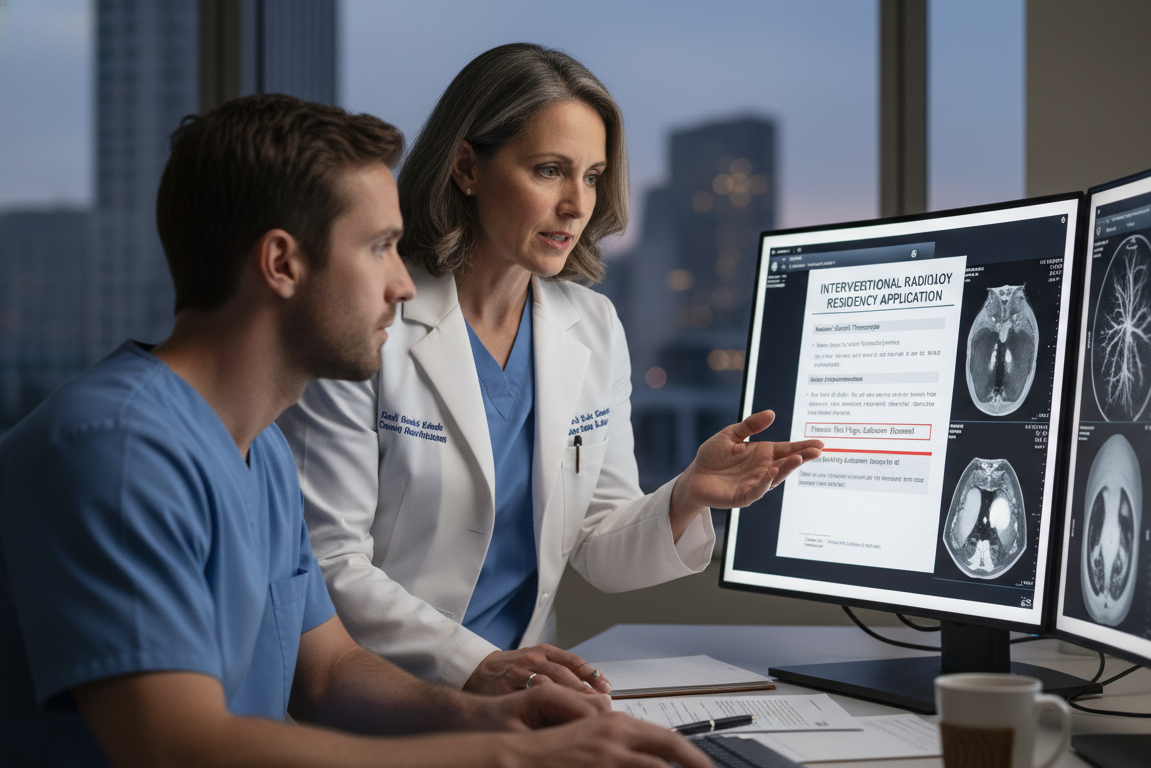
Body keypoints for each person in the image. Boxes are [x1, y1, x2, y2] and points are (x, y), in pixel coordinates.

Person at [0, 93, 711, 768]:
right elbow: (178, 751)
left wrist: (493, 717)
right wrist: (509, 756)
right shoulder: (116, 453)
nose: (404, 286)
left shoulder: (262, 454)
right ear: (282, 263)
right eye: (380, 248)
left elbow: (331, 671)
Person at [278, 43, 823, 696]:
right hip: (383, 698)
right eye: (549, 170)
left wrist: (688, 495)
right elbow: (327, 561)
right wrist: (472, 663)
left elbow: (598, 546)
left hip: (519, 696)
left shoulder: (592, 325)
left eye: (592, 176)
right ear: (466, 167)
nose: (576, 204)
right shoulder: (369, 322)